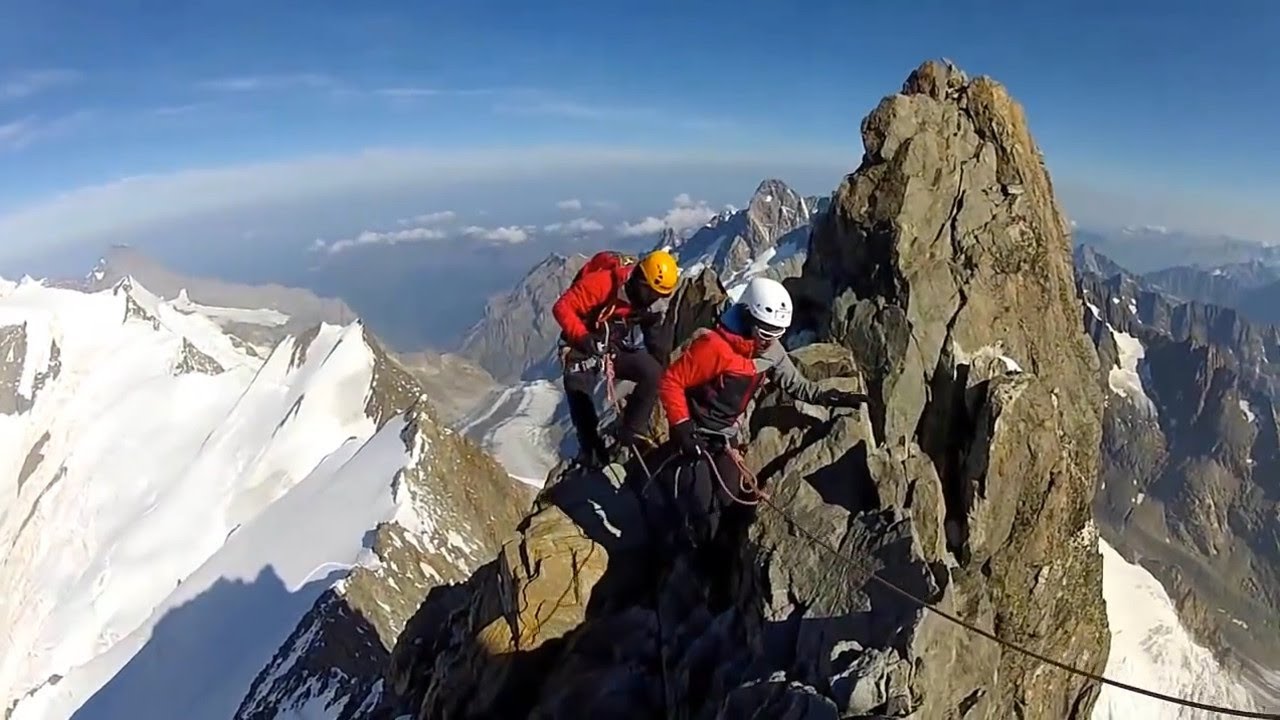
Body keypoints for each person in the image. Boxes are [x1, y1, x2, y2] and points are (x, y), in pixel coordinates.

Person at [656, 276, 866, 547]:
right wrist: (682, 426)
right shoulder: (714, 348)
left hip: (724, 438)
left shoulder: (771, 351)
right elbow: (672, 380)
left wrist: (830, 396)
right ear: (748, 317)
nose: (770, 341)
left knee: (728, 502)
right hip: (694, 434)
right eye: (765, 332)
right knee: (700, 507)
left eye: (778, 333)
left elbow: (796, 384)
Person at [553, 249, 680, 468]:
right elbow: (562, 307)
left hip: (612, 345)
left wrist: (665, 371)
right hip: (581, 343)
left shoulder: (645, 302)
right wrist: (583, 338)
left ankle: (631, 432)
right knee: (579, 393)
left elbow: (655, 341)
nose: (654, 300)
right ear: (642, 283)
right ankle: (593, 453)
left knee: (652, 373)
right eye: (653, 294)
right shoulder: (604, 284)